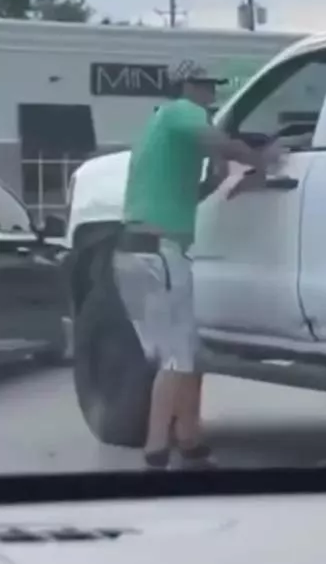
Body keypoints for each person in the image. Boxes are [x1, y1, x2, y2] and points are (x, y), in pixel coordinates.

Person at [113, 59, 281, 470]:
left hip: (132, 252)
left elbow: (195, 188)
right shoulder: (182, 112)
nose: (212, 93)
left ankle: (190, 439)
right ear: (185, 86)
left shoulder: (157, 127)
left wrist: (228, 178)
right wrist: (261, 157)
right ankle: (156, 450)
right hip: (159, 254)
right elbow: (219, 141)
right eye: (205, 85)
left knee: (185, 350)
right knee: (176, 357)